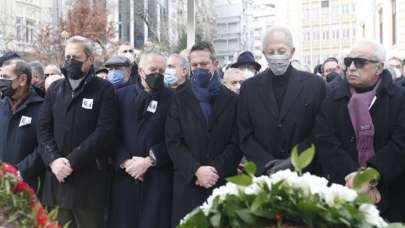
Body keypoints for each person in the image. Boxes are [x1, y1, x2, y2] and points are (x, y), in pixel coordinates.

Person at [315, 40, 405, 222]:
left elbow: (400, 144)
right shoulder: (331, 97)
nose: (351, 68)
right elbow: (325, 141)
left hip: (392, 193)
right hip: (344, 190)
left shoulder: (399, 98)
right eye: (348, 62)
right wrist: (356, 180)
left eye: (360, 62)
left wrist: (370, 177)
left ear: (379, 68)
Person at [38, 36, 118, 228]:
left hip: (88, 185)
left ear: (90, 59)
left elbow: (105, 131)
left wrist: (71, 161)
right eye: (67, 57)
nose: (70, 61)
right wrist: (54, 160)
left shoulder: (104, 89)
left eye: (76, 56)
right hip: (56, 182)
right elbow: (43, 128)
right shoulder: (55, 89)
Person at [166, 41, 241, 227]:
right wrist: (196, 170)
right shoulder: (178, 99)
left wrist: (214, 170)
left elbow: (236, 141)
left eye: (204, 64)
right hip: (188, 185)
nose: (199, 68)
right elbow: (173, 141)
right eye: (195, 65)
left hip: (222, 182)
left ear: (215, 64)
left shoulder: (232, 100)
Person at [238, 26, 325, 175]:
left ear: (292, 51)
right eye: (271, 52)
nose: (276, 56)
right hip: (264, 174)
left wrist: (293, 161)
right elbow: (244, 134)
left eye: (281, 51)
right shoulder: (249, 88)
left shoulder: (315, 85)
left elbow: (320, 131)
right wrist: (267, 164)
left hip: (305, 173)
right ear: (264, 53)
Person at [109, 51, 173, 228]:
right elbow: (110, 134)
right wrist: (125, 162)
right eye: (153, 69)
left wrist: (149, 160)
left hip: (157, 179)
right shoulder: (120, 96)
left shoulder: (173, 99)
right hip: (124, 178)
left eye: (162, 70)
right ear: (141, 71)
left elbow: (175, 139)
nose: (157, 74)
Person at [0, 59, 44, 189]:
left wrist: (20, 172)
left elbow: (43, 147)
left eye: (6, 77)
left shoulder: (41, 108)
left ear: (22, 80)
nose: (1, 81)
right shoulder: (1, 106)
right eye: (0, 76)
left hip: (26, 184)